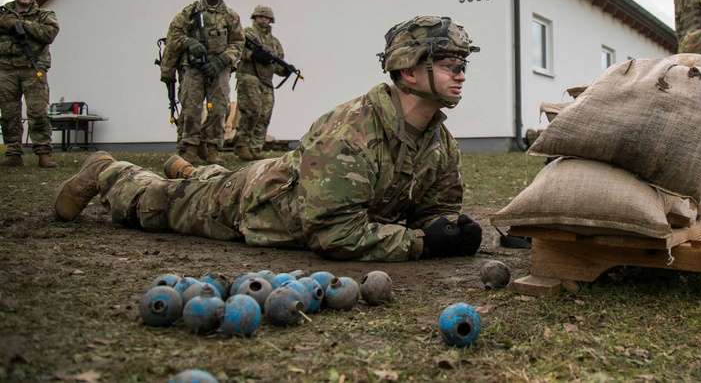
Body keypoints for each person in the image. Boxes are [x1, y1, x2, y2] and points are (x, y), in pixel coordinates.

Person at [53, 15, 484, 262]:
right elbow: (334, 234)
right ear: (408, 71)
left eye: (463, 63)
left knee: (201, 180)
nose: (460, 73)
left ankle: (195, 170)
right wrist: (424, 243)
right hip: (255, 206)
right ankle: (110, 172)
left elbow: (437, 207)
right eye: (448, 62)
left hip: (293, 189)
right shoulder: (350, 132)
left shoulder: (439, 142)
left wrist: (447, 227)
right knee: (159, 204)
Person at [159, 0, 243, 165]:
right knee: (191, 107)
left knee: (220, 108)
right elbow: (174, 35)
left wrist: (223, 60)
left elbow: (238, 43)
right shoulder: (190, 13)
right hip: (193, 67)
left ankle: (211, 147)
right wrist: (188, 42)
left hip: (219, 68)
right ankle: (189, 148)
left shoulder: (231, 17)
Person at [1, 0, 60, 168]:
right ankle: (13, 153)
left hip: (33, 68)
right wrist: (6, 22)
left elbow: (49, 34)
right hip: (6, 69)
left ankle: (43, 153)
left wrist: (22, 25)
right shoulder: (3, 14)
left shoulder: (44, 15)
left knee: (37, 112)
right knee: (9, 113)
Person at [233, 5, 288, 161]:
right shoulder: (246, 34)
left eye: (267, 17)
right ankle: (242, 144)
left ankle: (255, 147)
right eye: (260, 16)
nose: (263, 19)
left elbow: (277, 63)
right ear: (254, 18)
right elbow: (236, 50)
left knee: (265, 114)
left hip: (266, 81)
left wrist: (286, 70)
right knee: (252, 111)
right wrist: (252, 55)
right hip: (249, 76)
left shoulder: (274, 42)